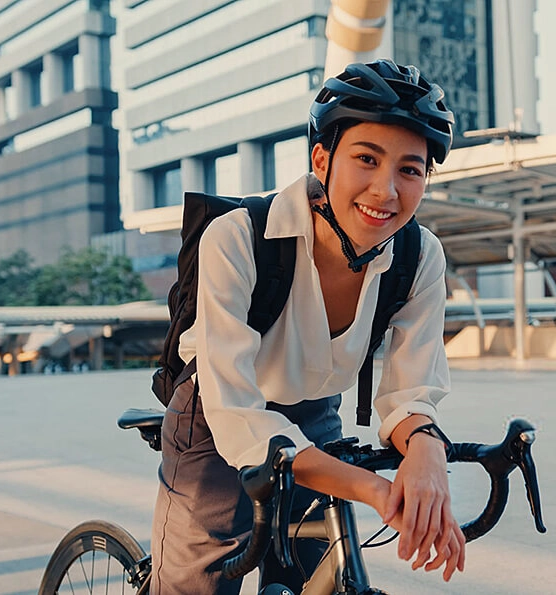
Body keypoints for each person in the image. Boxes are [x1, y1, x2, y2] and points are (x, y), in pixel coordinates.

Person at [150, 60, 462, 595]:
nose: (386, 191)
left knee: (315, 574)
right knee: (201, 579)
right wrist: (376, 490)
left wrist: (428, 454)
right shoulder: (237, 238)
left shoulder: (418, 255)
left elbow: (411, 390)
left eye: (411, 170)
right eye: (366, 159)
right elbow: (237, 416)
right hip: (215, 412)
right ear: (323, 158)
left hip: (314, 412)